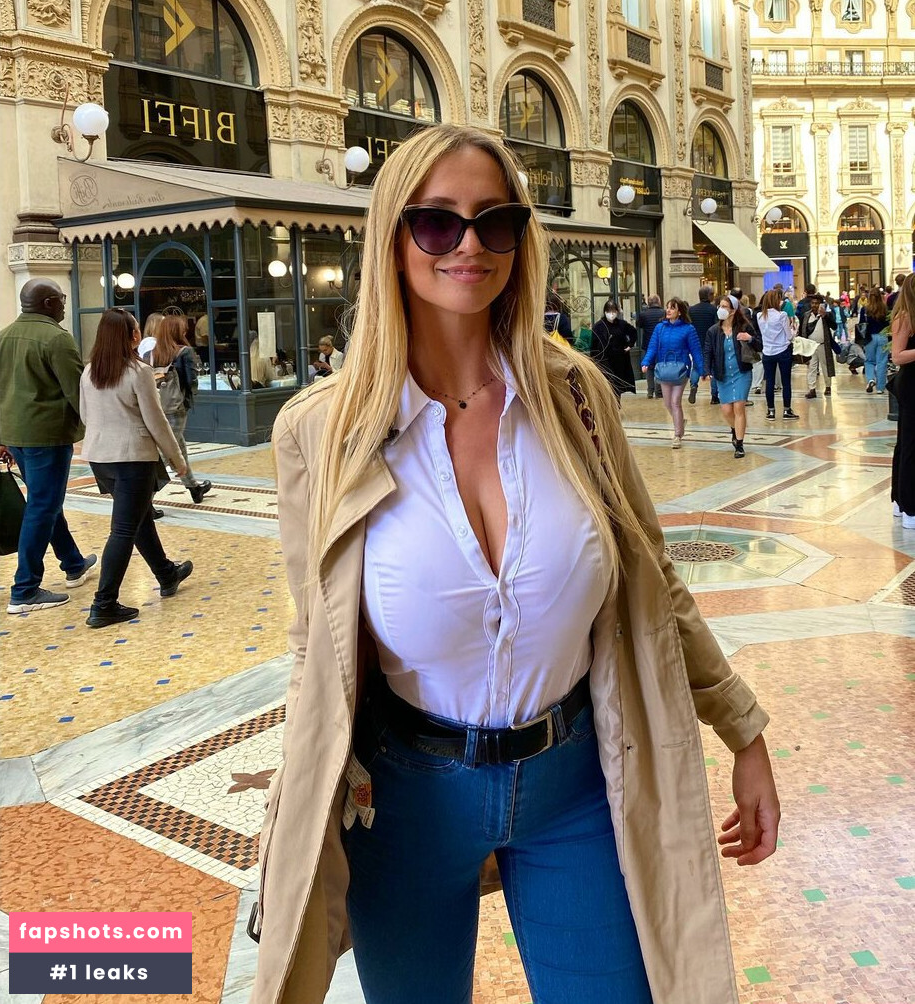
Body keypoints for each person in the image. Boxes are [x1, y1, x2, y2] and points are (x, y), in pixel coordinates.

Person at [249, 124, 779, 1004]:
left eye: (495, 222)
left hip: (576, 786)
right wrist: (293, 805)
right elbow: (318, 640)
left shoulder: (575, 399)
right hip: (406, 798)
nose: (469, 245)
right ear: (392, 237)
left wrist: (745, 730)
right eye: (437, 222)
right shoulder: (320, 431)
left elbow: (653, 584)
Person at [79, 308, 194, 628]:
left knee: (138, 516)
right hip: (132, 457)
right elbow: (156, 421)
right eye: (137, 329)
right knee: (123, 529)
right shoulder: (139, 372)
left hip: (101, 457)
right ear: (132, 336)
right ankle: (104, 604)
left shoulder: (89, 372)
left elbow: (86, 416)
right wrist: (177, 460)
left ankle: (166, 574)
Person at [0, 278, 96, 614]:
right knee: (42, 506)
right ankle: (24, 589)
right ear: (48, 303)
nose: (65, 305)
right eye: (62, 299)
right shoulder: (57, 338)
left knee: (46, 501)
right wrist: (97, 429)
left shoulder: (3, 336)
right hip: (48, 437)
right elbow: (78, 392)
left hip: (16, 436)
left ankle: (73, 563)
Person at [148, 315, 212, 505]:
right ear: (178, 331)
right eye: (183, 328)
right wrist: (190, 398)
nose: (186, 331)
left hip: (158, 405)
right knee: (167, 451)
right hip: (176, 407)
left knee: (179, 447)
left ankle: (194, 487)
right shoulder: (185, 352)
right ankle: (146, 500)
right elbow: (191, 381)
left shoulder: (155, 352)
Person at [641, 298, 705, 448]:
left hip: (681, 370)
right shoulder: (660, 328)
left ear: (679, 312)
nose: (668, 310)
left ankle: (677, 435)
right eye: (667, 307)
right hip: (664, 369)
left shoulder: (688, 329)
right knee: (667, 403)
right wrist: (646, 362)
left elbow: (696, 351)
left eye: (672, 308)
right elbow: (652, 347)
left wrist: (702, 370)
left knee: (675, 401)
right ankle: (680, 421)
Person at [705, 297, 762, 459]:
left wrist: (749, 338)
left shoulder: (744, 327)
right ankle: (735, 429)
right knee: (726, 410)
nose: (721, 309)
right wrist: (706, 370)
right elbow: (708, 351)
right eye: (720, 306)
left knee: (739, 407)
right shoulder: (713, 331)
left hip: (741, 373)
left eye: (724, 306)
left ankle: (739, 444)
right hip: (722, 375)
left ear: (733, 310)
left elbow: (760, 344)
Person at [891, 274, 915, 529]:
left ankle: (900, 499)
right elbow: (897, 356)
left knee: (906, 443)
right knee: (909, 445)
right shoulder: (904, 317)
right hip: (910, 385)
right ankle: (909, 507)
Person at [757, 289, 799, 421]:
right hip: (782, 351)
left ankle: (771, 411)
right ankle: (787, 410)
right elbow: (789, 335)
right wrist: (794, 332)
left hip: (767, 352)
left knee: (769, 382)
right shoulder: (782, 315)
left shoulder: (759, 316)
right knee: (786, 382)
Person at [589, 299, 637, 397]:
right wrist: (593, 361)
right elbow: (593, 345)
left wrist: (630, 345)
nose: (611, 314)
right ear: (605, 312)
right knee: (606, 387)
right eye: (609, 311)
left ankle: (616, 404)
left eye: (614, 311)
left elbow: (633, 332)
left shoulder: (621, 324)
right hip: (604, 361)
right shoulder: (598, 326)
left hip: (619, 360)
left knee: (617, 388)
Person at [799, 294, 837, 398]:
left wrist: (825, 316)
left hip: (823, 345)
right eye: (812, 303)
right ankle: (812, 389)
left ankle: (828, 386)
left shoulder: (826, 315)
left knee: (825, 366)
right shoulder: (806, 315)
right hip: (810, 346)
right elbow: (802, 330)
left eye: (816, 303)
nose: (814, 305)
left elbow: (834, 326)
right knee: (811, 367)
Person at [688, 285, 719, 404]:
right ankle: (714, 396)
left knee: (696, 367)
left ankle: (693, 385)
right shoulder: (713, 310)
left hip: (696, 342)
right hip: (710, 342)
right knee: (713, 369)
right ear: (709, 295)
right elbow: (717, 326)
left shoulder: (692, 310)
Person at [860, 289, 890, 394]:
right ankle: (880, 388)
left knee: (869, 361)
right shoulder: (885, 309)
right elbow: (888, 324)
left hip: (869, 338)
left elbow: (861, 324)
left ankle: (871, 379)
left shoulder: (864, 309)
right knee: (882, 362)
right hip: (882, 336)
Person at [636, 294, 665, 397]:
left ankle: (650, 391)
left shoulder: (643, 314)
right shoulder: (663, 313)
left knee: (649, 368)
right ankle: (658, 391)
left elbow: (639, 325)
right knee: (659, 367)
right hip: (661, 345)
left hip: (647, 344)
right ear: (659, 302)